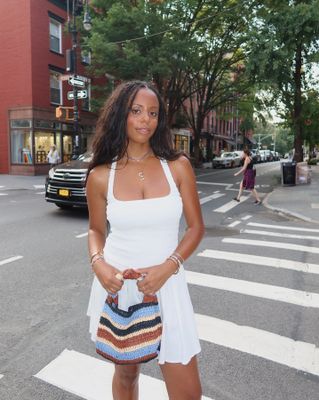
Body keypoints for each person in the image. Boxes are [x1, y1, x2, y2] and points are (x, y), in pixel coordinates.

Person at [86, 80, 205, 400]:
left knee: (188, 391)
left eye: (153, 113)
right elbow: (96, 230)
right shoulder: (100, 175)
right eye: (136, 111)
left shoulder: (177, 167)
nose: (145, 120)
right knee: (126, 375)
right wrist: (99, 265)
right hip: (119, 286)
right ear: (120, 115)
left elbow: (196, 228)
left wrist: (168, 267)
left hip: (168, 282)